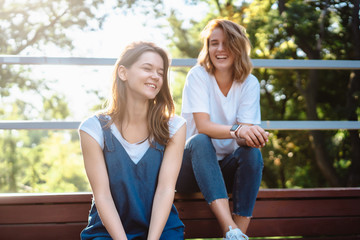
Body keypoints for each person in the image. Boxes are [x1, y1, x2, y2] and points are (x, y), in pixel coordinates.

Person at [79, 42, 186, 240]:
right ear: (123, 73)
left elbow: (165, 190)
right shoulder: (92, 129)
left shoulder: (175, 127)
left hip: (160, 230)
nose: (156, 76)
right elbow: (102, 196)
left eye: (160, 72)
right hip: (109, 232)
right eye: (147, 68)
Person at [176, 19, 269, 240]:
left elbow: (244, 139)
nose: (219, 49)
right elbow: (203, 127)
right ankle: (229, 228)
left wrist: (255, 136)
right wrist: (239, 129)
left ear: (238, 46)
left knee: (252, 153)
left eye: (226, 43)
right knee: (200, 140)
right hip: (190, 170)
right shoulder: (198, 75)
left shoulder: (250, 83)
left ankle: (239, 235)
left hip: (224, 172)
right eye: (213, 43)